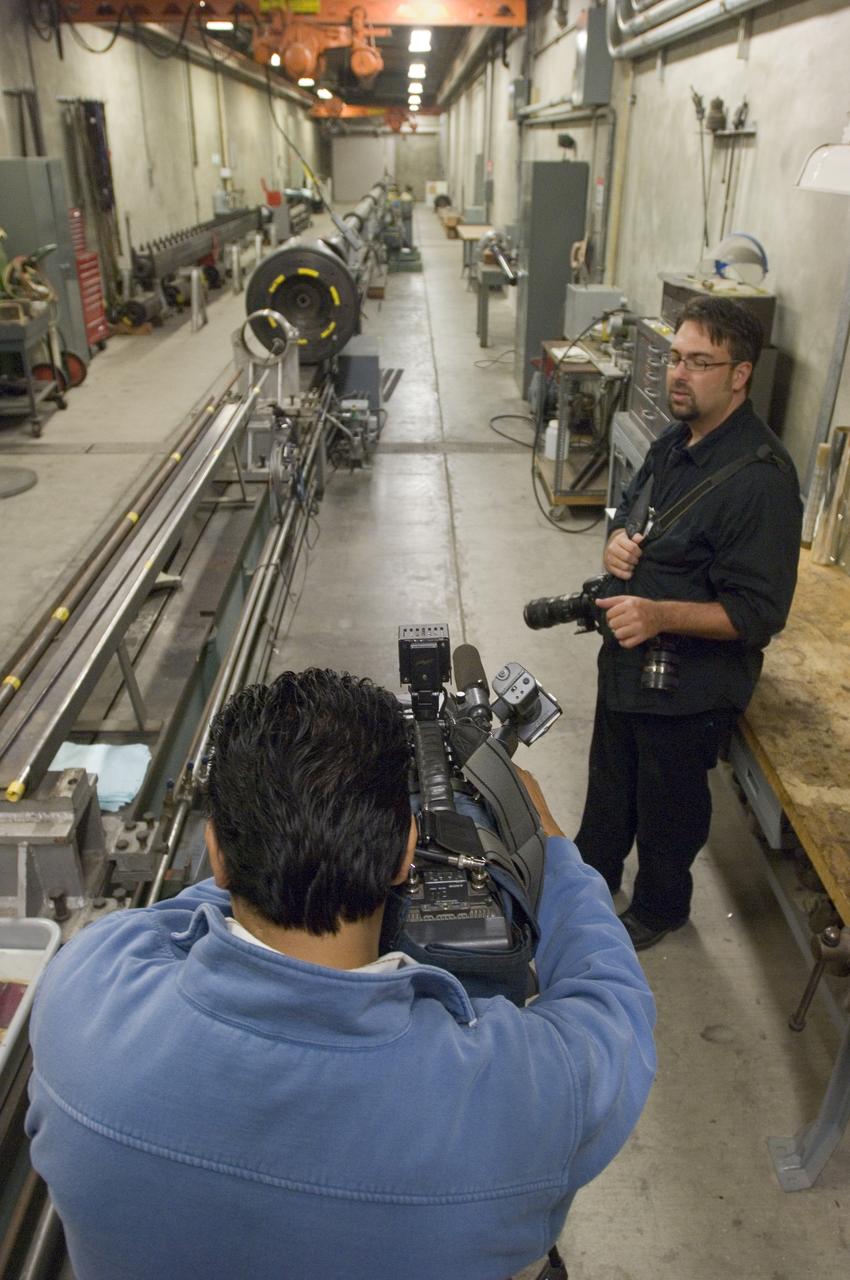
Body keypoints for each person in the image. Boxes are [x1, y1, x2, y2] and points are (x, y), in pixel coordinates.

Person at [27, 668, 655, 1280]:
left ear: (216, 851)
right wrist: (544, 837)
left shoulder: (81, 991)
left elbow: (186, 914)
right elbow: (610, 998)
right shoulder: (528, 1102)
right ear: (406, 853)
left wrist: (281, 847)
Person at [575, 296, 802, 951]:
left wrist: (659, 614)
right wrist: (615, 539)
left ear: (740, 375)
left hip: (689, 685)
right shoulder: (677, 440)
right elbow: (631, 507)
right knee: (611, 788)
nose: (679, 373)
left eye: (699, 362)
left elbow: (759, 614)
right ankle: (593, 881)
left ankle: (660, 907)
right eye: (676, 357)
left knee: (667, 806)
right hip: (627, 660)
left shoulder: (761, 483)